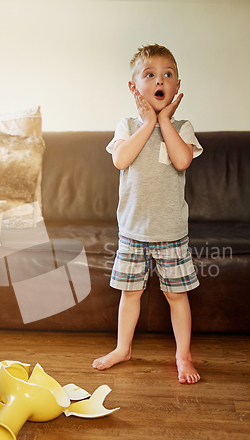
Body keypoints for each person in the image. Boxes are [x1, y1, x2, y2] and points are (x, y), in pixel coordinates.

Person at [93, 44, 203, 384]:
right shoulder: (126, 125)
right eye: (150, 74)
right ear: (134, 87)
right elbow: (121, 159)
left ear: (176, 85)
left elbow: (183, 160)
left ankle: (183, 356)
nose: (160, 80)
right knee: (130, 294)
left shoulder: (181, 126)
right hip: (133, 232)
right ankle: (122, 348)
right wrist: (148, 123)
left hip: (171, 232)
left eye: (167, 75)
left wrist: (164, 120)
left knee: (177, 296)